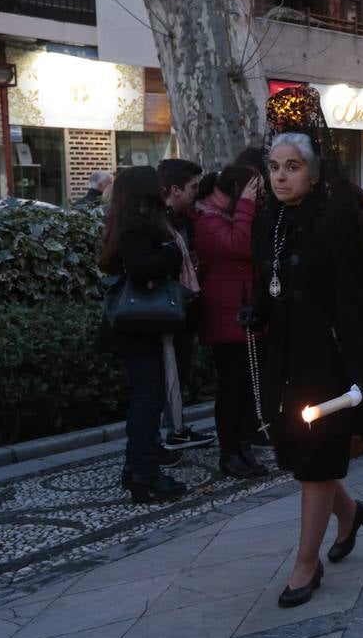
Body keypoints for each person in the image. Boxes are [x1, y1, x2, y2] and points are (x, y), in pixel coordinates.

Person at [244, 132, 363, 607]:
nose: (281, 175)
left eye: (293, 166)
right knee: (298, 452)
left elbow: (355, 299)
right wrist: (258, 306)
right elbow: (271, 277)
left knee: (317, 459)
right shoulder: (271, 218)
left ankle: (307, 563)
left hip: (328, 358)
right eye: (275, 166)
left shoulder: (335, 221)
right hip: (285, 355)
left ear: (315, 171)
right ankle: (350, 513)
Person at [95, 166, 190, 504]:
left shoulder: (127, 221)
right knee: (147, 401)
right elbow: (139, 267)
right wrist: (171, 254)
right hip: (138, 326)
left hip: (135, 326)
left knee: (145, 399)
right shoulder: (137, 225)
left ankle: (137, 469)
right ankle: (144, 473)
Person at [192, 162, 268, 479]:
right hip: (225, 314)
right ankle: (229, 452)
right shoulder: (207, 219)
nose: (260, 197)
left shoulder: (236, 213)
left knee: (249, 386)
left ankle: (244, 446)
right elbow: (240, 245)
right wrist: (248, 205)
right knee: (231, 387)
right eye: (255, 191)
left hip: (248, 309)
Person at [155, 158, 214, 451]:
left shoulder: (185, 219)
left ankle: (177, 427)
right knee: (167, 373)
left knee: (180, 370)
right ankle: (169, 433)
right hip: (167, 310)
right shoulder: (158, 222)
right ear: (175, 189)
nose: (196, 192)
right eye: (192, 187)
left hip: (185, 308)